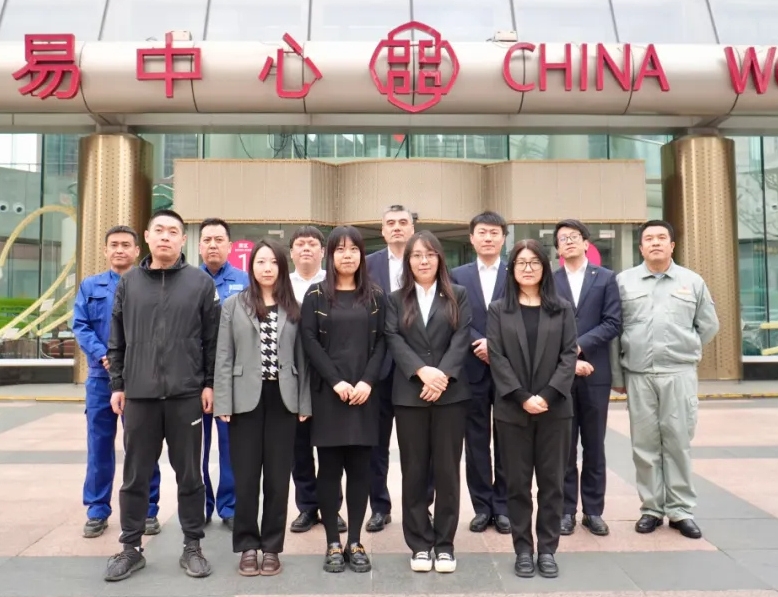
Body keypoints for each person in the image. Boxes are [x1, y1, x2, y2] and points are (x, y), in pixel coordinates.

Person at [104, 209, 219, 582]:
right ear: (147, 237)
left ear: (183, 239)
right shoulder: (129, 283)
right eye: (159, 230)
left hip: (187, 395)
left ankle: (192, 546)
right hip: (140, 395)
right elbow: (116, 338)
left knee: (190, 475)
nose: (166, 236)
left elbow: (212, 340)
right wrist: (118, 384)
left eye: (173, 231)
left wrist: (209, 383)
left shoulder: (200, 283)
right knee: (135, 475)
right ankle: (130, 547)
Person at [610, 220, 719, 539]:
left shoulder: (692, 281)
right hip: (638, 374)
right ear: (640, 247)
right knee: (644, 445)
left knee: (678, 442)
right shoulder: (624, 282)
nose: (655, 243)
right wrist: (617, 375)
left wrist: (687, 348)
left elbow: (709, 325)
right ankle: (651, 509)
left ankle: (681, 510)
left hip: (678, 373)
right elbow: (614, 332)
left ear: (672, 245)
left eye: (661, 238)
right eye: (649, 239)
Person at [214, 239, 311, 577]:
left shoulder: (294, 306)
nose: (267, 268)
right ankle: (246, 546)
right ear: (251, 267)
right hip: (244, 400)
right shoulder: (233, 305)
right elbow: (224, 356)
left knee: (277, 479)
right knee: (245, 478)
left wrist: (304, 402)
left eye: (273, 262)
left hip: (283, 399)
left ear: (282, 267)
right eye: (260, 262)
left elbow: (303, 360)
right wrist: (223, 401)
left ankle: (271, 547)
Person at [487, 239, 577, 579]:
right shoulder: (499, 309)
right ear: (512, 269)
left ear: (545, 268)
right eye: (521, 263)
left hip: (555, 410)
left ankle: (548, 549)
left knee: (552, 483)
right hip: (513, 410)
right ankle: (523, 549)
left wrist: (549, 395)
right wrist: (523, 396)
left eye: (534, 262)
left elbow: (569, 355)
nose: (528, 268)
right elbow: (497, 357)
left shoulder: (562, 308)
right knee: (517, 484)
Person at [385, 231, 472, 573]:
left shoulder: (457, 295)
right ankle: (420, 544)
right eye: (417, 255)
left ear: (439, 259)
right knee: (414, 471)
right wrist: (422, 372)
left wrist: (442, 376)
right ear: (408, 261)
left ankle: (445, 544)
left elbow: (462, 336)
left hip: (450, 396)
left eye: (430, 254)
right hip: (410, 395)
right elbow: (393, 337)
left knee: (448, 472)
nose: (424, 261)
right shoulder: (396, 299)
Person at [301, 226, 386, 573]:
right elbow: (309, 341)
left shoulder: (376, 296)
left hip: (365, 396)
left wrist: (367, 381)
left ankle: (355, 541)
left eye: (353, 249)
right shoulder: (316, 295)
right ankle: (333, 543)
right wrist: (335, 381)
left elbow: (383, 342)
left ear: (362, 255)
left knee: (361, 470)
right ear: (330, 255)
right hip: (329, 396)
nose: (347, 255)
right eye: (340, 249)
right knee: (329, 470)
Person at [73, 225, 161, 539]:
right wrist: (104, 355)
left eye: (126, 245)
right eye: (114, 245)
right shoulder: (90, 286)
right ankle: (97, 510)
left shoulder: (149, 285)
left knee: (142, 446)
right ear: (105, 250)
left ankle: (148, 509)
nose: (120, 250)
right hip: (101, 378)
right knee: (99, 446)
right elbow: (81, 325)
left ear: (137, 250)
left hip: (139, 378)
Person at [365, 204, 433, 532]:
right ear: (382, 230)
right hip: (377, 369)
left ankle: (422, 507)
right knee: (375, 445)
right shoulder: (367, 266)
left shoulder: (427, 262)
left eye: (403, 222)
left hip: (417, 369)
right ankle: (379, 506)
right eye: (390, 223)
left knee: (419, 447)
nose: (396, 227)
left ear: (412, 228)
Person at [552, 220, 621, 537]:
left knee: (594, 445)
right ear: (557, 248)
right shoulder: (550, 281)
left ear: (585, 243)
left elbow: (613, 322)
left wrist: (580, 345)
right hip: (558, 373)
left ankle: (593, 511)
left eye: (573, 237)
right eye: (562, 238)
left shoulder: (605, 278)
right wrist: (567, 351)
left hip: (596, 373)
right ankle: (566, 510)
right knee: (564, 447)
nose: (568, 241)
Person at [450, 211, 510, 535]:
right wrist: (479, 343)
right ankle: (482, 507)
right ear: (471, 238)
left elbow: (522, 316)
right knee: (475, 442)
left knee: (508, 440)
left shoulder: (516, 272)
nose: (488, 238)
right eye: (482, 233)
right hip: (471, 368)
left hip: (508, 369)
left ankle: (503, 507)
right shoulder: (457, 275)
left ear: (503, 238)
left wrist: (495, 345)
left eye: (494, 233)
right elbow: (454, 316)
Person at [288, 226, 347, 534]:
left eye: (312, 244)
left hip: (329, 377)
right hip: (293, 377)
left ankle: (331, 508)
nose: (306, 248)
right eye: (300, 244)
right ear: (291, 252)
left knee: (330, 448)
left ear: (323, 252)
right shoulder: (282, 285)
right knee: (299, 449)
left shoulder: (336, 283)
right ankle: (307, 507)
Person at [199, 218, 249, 531]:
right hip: (196, 380)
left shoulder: (245, 281)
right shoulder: (189, 281)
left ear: (230, 245)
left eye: (219, 239)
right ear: (199, 246)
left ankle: (230, 507)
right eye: (207, 240)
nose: (213, 245)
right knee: (197, 449)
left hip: (233, 379)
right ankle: (201, 505)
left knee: (232, 447)